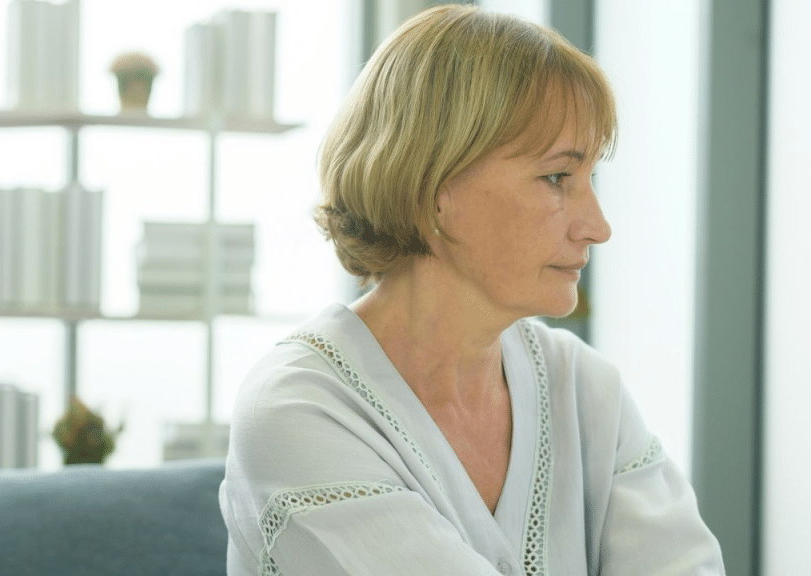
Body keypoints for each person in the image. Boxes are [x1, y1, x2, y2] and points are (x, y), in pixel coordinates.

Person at [218, 4, 725, 575]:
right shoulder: (297, 412)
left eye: (591, 180)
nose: (598, 227)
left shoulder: (584, 389)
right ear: (435, 188)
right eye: (557, 177)